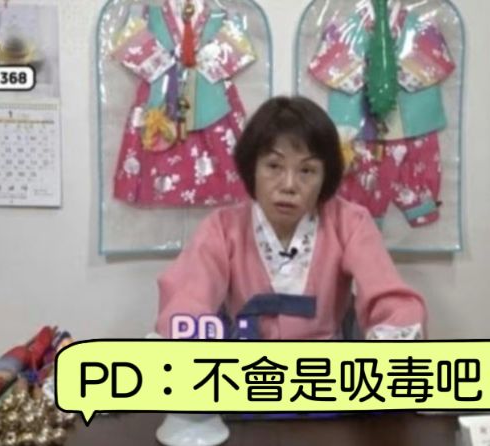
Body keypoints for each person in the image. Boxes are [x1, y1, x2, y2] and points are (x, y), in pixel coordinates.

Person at [154, 96, 427, 341]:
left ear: (326, 176)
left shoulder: (350, 222)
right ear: (252, 167)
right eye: (274, 166)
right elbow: (187, 300)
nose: (288, 185)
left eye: (306, 171)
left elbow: (390, 300)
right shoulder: (222, 228)